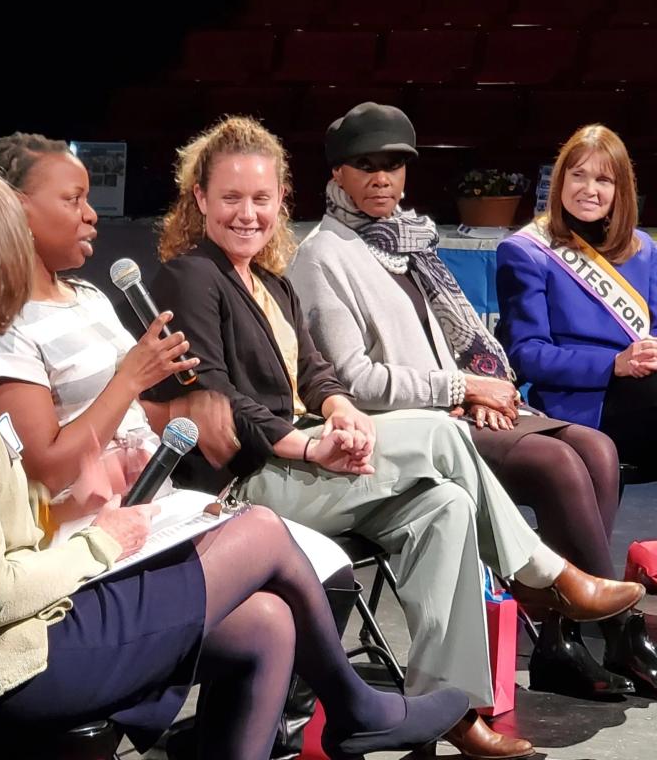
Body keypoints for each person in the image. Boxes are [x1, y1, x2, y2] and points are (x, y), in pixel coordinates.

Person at [0, 163, 473, 760]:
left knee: (265, 623)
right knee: (256, 530)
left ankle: (352, 711)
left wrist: (73, 500)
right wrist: (100, 542)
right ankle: (356, 710)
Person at [143, 115, 645, 760]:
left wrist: (340, 411)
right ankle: (546, 576)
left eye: (261, 199)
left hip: (311, 462)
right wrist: (308, 442)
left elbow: (320, 373)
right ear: (200, 200)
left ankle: (450, 711)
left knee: (448, 506)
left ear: (280, 203)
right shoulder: (191, 274)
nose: (248, 214)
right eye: (232, 198)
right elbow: (216, 397)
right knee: (442, 434)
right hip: (250, 484)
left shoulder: (267, 278)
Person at [0, 132, 360, 759]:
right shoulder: (0, 325)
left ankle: (322, 716)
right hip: (82, 542)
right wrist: (132, 378)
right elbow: (42, 469)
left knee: (276, 616)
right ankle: (355, 706)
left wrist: (176, 407)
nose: (93, 214)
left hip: (153, 505)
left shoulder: (88, 297)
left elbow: (130, 409)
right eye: (73, 200)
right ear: (13, 211)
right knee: (261, 531)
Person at [288, 103, 657, 699]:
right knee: (559, 462)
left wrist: (479, 385)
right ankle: (614, 631)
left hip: (458, 407)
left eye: (394, 165)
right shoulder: (323, 254)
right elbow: (355, 381)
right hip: (406, 424)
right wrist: (462, 388)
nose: (382, 179)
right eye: (365, 166)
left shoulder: (411, 240)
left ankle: (564, 642)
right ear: (337, 175)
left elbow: (466, 347)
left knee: (597, 448)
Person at [497, 124, 657, 480]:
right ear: (560, 181)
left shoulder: (644, 249)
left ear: (621, 191)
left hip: (643, 392)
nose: (589, 189)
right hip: (577, 402)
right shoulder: (526, 252)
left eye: (603, 180)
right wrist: (615, 363)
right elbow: (527, 355)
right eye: (578, 175)